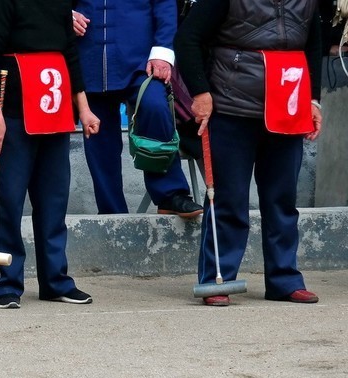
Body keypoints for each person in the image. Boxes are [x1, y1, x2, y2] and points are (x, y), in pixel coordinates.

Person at [176, 0, 324, 306]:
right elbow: (188, 38)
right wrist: (201, 92)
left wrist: (313, 100)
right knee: (228, 198)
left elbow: (313, 46)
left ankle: (285, 280)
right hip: (233, 108)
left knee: (282, 199)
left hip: (288, 108)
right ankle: (218, 279)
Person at [0, 0, 101, 308]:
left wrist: (83, 109)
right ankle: (3, 282)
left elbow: (70, 53)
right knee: (8, 200)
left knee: (54, 201)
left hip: (54, 109)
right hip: (11, 112)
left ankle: (56, 281)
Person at [71, 0, 205, 217]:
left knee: (155, 106)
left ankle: (169, 195)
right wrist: (65, 15)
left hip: (142, 60)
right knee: (98, 135)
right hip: (90, 56)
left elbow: (165, 6)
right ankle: (111, 211)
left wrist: (162, 52)